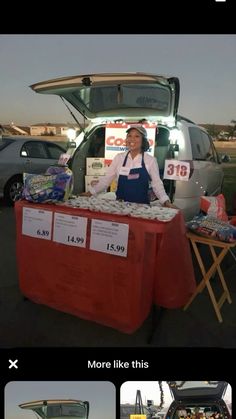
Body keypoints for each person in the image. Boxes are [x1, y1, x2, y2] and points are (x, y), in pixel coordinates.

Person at [82, 125, 177, 207]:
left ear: (143, 140)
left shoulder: (150, 160)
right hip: (120, 206)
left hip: (141, 207)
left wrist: (166, 202)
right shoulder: (119, 158)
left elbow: (157, 184)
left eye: (137, 136)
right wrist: (89, 193)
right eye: (129, 136)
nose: (132, 139)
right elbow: (106, 180)